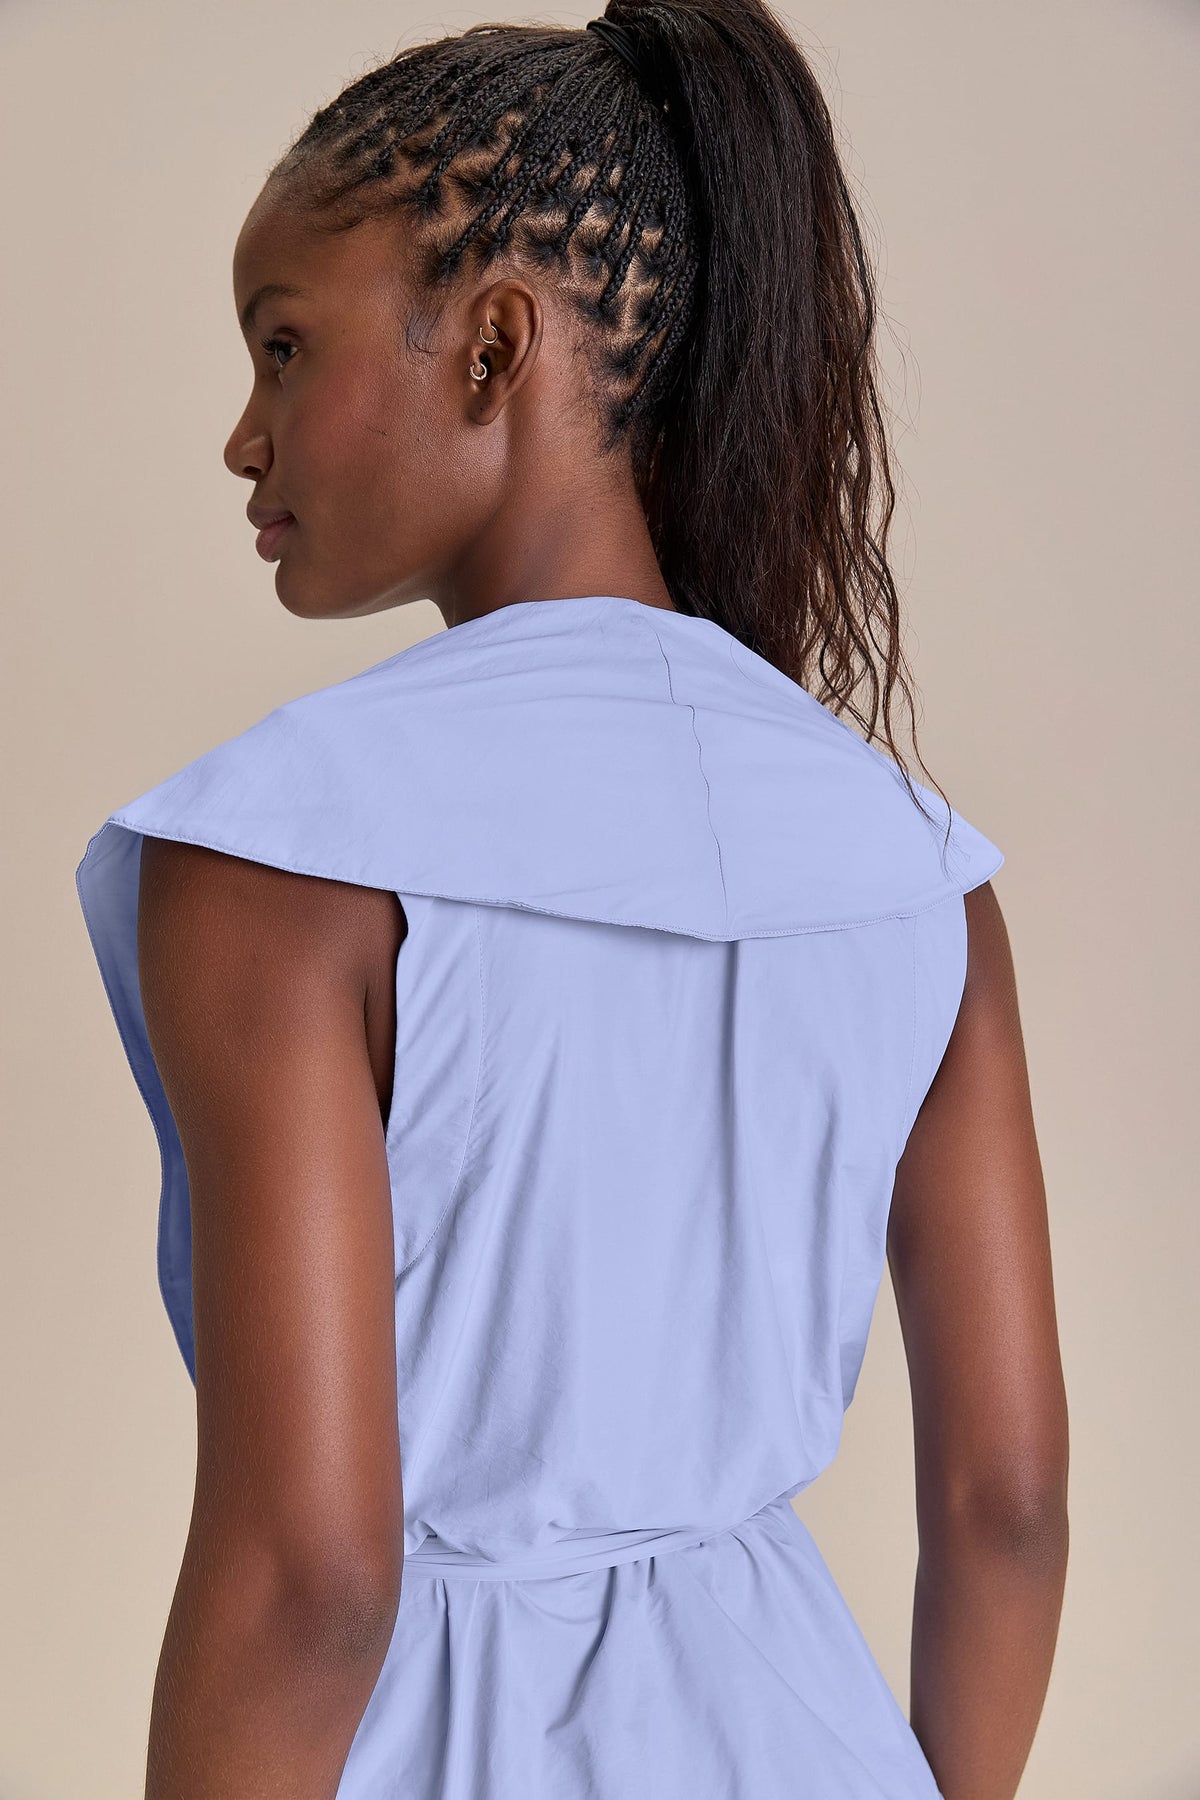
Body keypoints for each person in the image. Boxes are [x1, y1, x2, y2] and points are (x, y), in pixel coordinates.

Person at [75, 1, 1069, 1795]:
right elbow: (1009, 1507)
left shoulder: (283, 858)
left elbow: (313, 1584)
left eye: (284, 346)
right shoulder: (913, 864)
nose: (243, 435)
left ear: (493, 348)